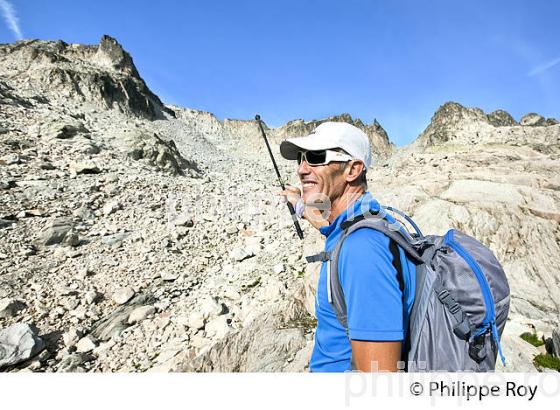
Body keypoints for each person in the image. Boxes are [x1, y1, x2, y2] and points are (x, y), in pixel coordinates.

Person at [279, 122, 416, 372]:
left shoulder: (362, 249)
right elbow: (328, 224)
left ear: (352, 169)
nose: (300, 169)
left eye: (315, 157)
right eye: (300, 158)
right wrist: (299, 205)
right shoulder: (358, 220)